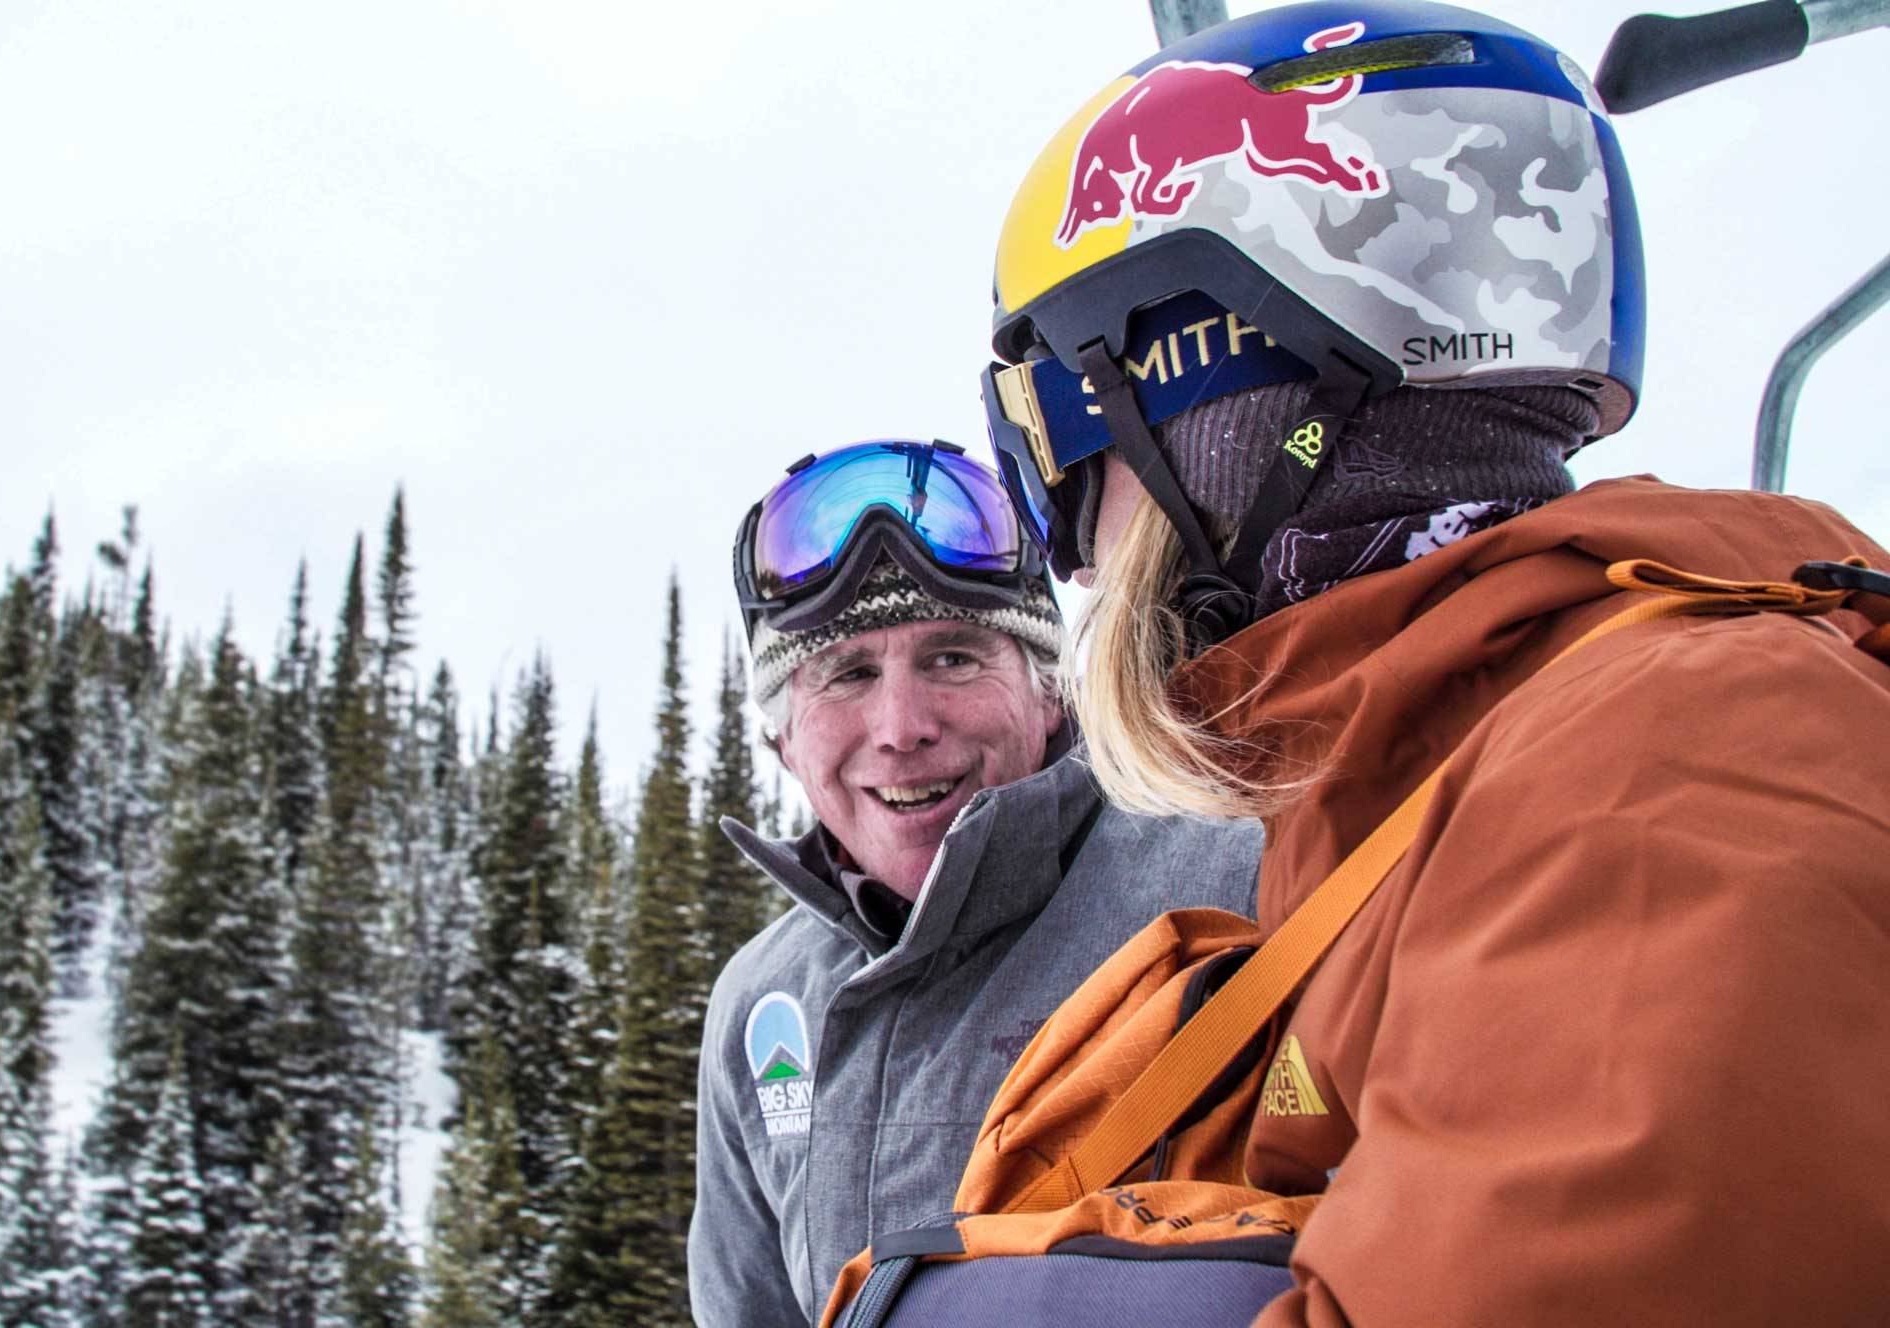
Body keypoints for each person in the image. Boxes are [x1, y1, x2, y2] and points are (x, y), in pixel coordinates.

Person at [977, 3, 1890, 1323]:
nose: (1070, 544)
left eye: (1059, 437)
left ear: (1220, 401)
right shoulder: (1416, 797)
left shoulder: (1666, 776)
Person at [687, 440, 1268, 1327]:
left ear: (1047, 695)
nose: (902, 726)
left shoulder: (1237, 879)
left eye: (954, 658)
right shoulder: (764, 1001)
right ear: (784, 741)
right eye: (847, 673)